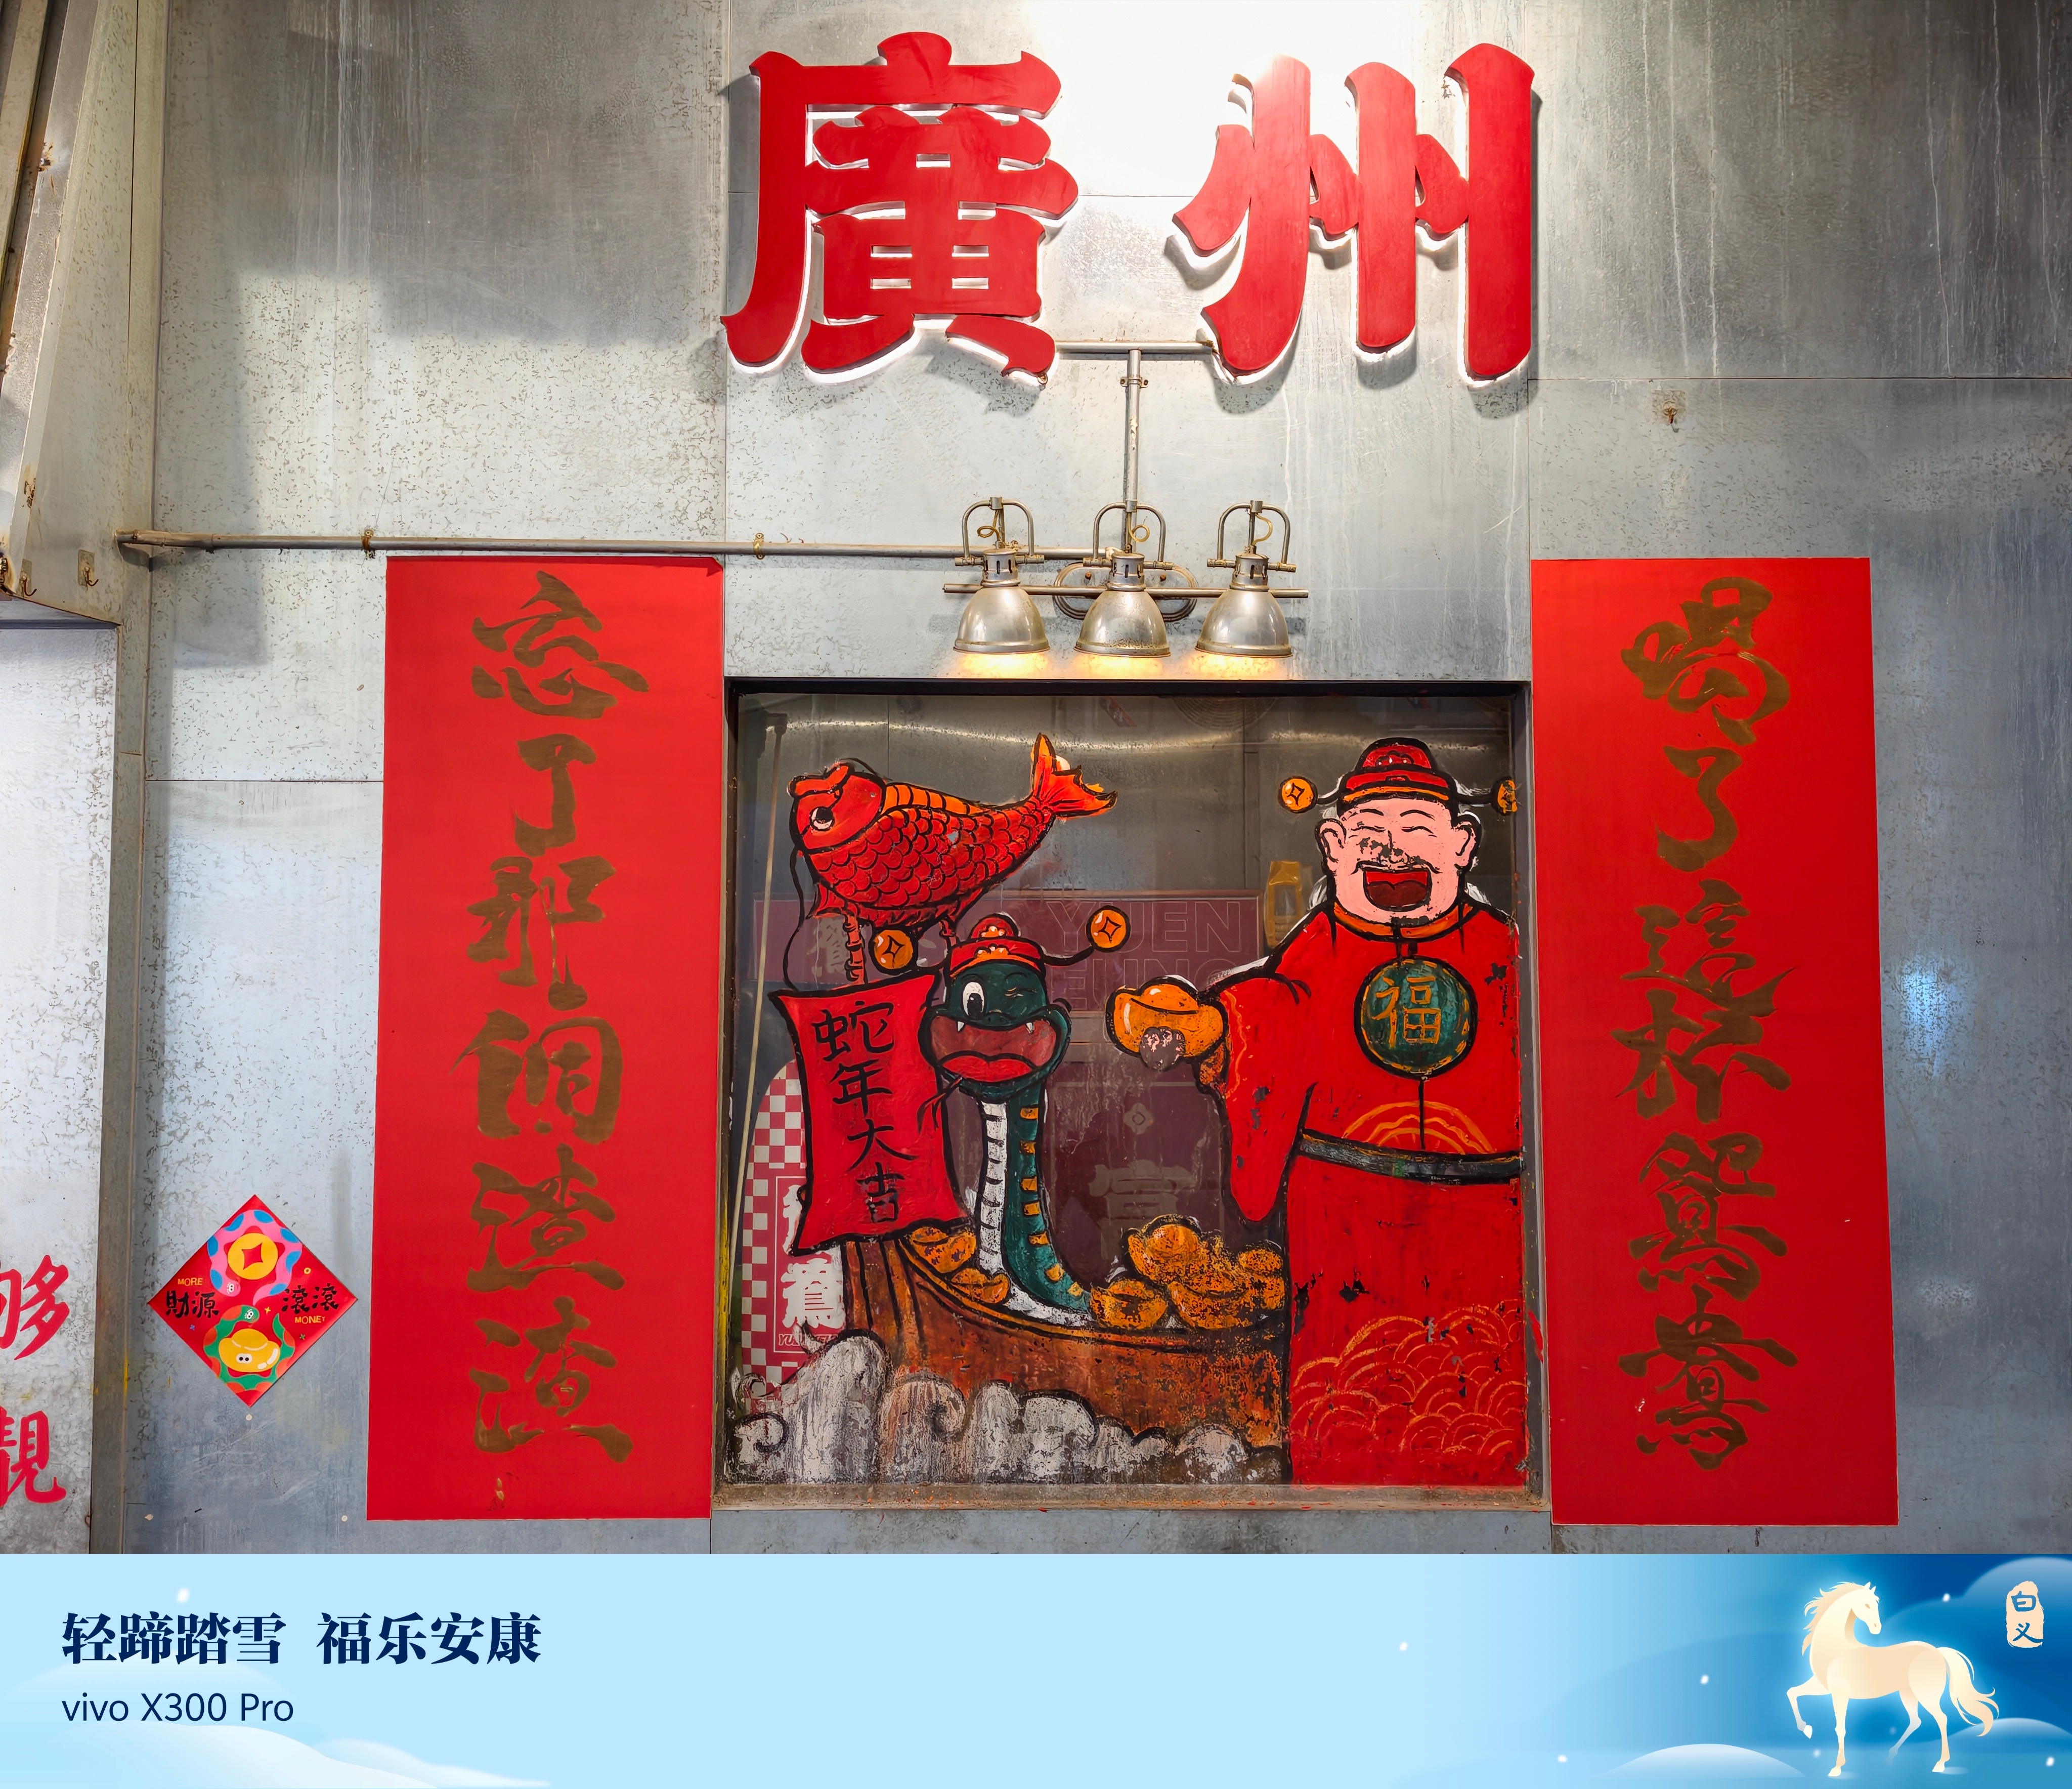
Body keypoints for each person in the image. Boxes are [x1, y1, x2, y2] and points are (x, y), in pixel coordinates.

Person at [1108, 738, 1527, 1485]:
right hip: (1345, 1214)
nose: (1393, 853)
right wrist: (1211, 1027)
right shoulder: (1318, 948)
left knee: (1486, 1393)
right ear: (1333, 848)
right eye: (1370, 834)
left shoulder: (1504, 951)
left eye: (1417, 830)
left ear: (1463, 845)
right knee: (1351, 1401)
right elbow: (1270, 1018)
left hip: (1491, 1215)